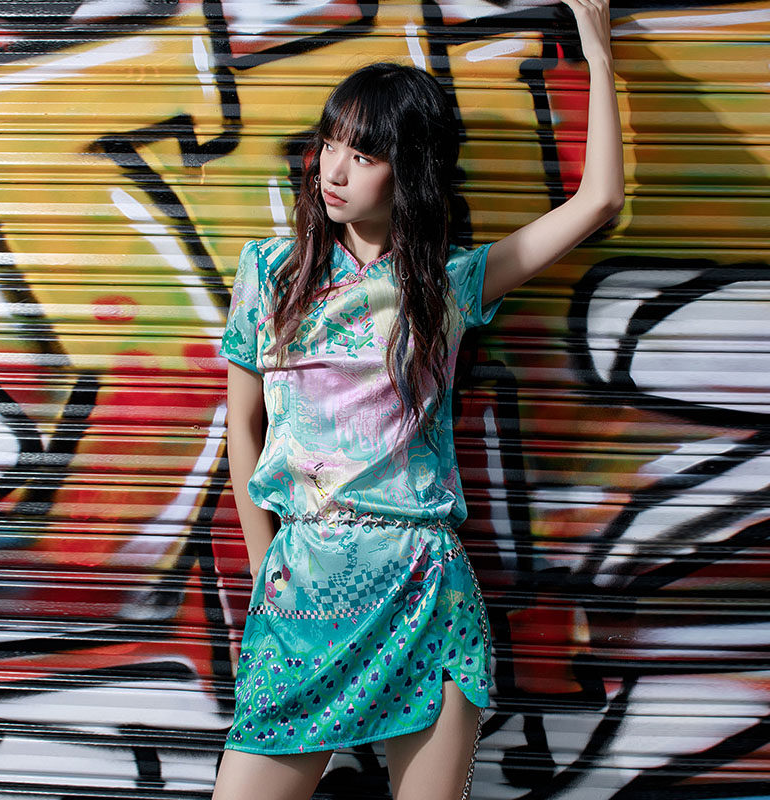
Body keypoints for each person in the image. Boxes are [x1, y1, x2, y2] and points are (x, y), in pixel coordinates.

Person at [212, 1, 622, 797]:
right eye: (331, 145)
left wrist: (598, 56)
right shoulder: (270, 272)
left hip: (421, 591)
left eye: (363, 154)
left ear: (409, 169)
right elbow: (244, 430)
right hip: (302, 594)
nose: (334, 171)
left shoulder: (448, 283)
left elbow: (597, 201)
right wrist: (268, 579)